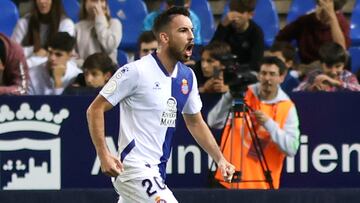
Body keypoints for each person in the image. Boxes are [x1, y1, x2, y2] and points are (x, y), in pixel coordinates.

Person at [87, 7, 235, 202]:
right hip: (134, 169)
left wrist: (220, 159)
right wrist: (104, 154)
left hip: (156, 171)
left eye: (191, 30)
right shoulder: (136, 71)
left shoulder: (187, 77)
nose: (191, 36)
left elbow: (195, 122)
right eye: (183, 31)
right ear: (164, 38)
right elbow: (95, 109)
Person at [207, 56, 300, 189]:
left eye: (272, 74)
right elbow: (213, 122)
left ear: (282, 77)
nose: (267, 78)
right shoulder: (244, 93)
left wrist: (269, 124)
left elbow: (292, 148)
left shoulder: (287, 107)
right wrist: (229, 96)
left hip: (261, 185)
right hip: (227, 181)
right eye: (263, 73)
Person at [275, 0, 350, 64]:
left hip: (331, 68)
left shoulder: (342, 23)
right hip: (306, 70)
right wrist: (293, 63)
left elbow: (342, 52)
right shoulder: (304, 21)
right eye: (321, 5)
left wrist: (332, 17)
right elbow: (280, 38)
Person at [211, 0, 264, 72]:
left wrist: (236, 69)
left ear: (250, 15)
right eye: (232, 12)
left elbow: (256, 63)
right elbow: (212, 51)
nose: (235, 18)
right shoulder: (225, 28)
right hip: (224, 69)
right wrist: (222, 27)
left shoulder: (256, 32)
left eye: (240, 12)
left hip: (246, 71)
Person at [294, 42, 360, 91]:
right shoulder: (314, 75)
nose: (333, 72)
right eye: (328, 66)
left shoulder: (347, 76)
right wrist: (310, 89)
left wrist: (336, 83)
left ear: (343, 64)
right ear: (321, 64)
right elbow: (296, 91)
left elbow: (358, 89)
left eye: (338, 66)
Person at [75, 0, 122, 65]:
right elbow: (72, 56)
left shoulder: (114, 23)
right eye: (94, 1)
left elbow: (109, 46)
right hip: (85, 70)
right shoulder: (77, 27)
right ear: (85, 3)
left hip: (108, 70)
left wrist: (100, 18)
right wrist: (88, 65)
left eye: (102, 1)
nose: (99, 5)